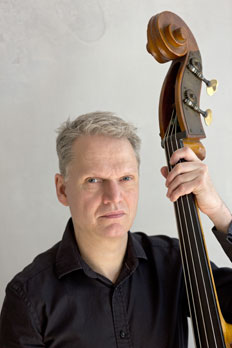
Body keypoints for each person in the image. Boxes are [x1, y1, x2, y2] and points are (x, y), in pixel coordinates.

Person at [0, 111, 232, 347]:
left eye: (125, 178)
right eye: (94, 180)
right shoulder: (28, 296)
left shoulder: (174, 262)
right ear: (62, 190)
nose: (114, 197)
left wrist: (218, 211)